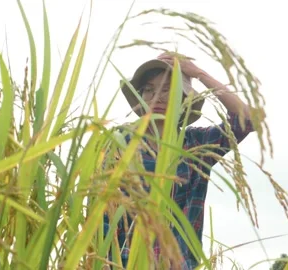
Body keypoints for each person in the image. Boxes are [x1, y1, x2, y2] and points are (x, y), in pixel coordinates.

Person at [104, 52, 255, 269]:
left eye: (167, 89)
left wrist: (199, 74)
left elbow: (248, 120)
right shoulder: (118, 143)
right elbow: (102, 213)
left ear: (183, 99)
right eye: (149, 89)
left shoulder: (195, 145)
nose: (157, 97)